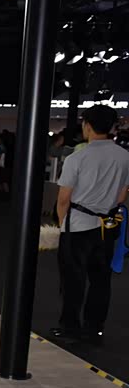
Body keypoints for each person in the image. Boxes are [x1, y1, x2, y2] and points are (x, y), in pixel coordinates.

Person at [52, 105, 129, 343]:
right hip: (107, 226)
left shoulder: (77, 158)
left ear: (86, 126)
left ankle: (70, 328)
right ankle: (94, 329)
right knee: (101, 281)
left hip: (77, 225)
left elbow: (63, 199)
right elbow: (122, 195)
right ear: (112, 126)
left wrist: (62, 225)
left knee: (73, 280)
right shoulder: (125, 157)